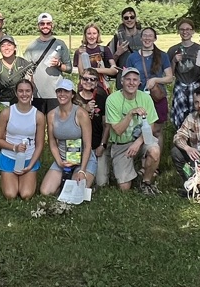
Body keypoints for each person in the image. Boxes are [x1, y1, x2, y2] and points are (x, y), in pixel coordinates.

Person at [105, 67, 161, 195]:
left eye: (135, 80)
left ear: (139, 83)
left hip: (140, 140)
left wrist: (138, 142)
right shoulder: (112, 100)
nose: (131, 83)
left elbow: (151, 125)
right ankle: (130, 170)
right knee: (124, 188)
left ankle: (146, 182)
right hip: (121, 144)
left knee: (155, 150)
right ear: (122, 81)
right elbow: (118, 131)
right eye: (128, 79)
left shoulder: (145, 98)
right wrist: (130, 113)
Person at [40, 79, 95, 195]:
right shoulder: (51, 115)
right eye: (59, 91)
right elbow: (52, 142)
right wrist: (60, 162)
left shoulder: (81, 114)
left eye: (66, 91)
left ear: (72, 94)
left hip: (83, 160)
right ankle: (65, 182)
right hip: (63, 159)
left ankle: (81, 179)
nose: (62, 94)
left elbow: (88, 145)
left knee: (74, 193)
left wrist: (82, 170)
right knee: (45, 192)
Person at [0, 79, 45, 200]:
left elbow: (40, 144)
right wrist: (14, 147)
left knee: (26, 194)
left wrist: (30, 165)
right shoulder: (7, 113)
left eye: (27, 91)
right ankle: (7, 176)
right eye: (20, 91)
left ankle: (27, 175)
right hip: (9, 156)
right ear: (16, 93)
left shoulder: (38, 116)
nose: (24, 94)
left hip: (28, 159)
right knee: (10, 195)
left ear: (32, 93)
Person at [124, 27, 173, 138]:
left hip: (157, 97)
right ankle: (142, 154)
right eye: (145, 35)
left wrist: (155, 80)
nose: (147, 38)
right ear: (141, 38)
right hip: (138, 97)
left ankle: (157, 154)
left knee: (157, 131)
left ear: (155, 38)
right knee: (138, 130)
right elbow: (126, 77)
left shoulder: (162, 55)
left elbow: (169, 77)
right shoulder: (132, 57)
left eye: (150, 35)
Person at [24, 12, 73, 116]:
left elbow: (69, 69)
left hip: (56, 93)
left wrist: (59, 64)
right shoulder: (32, 46)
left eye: (48, 23)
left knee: (55, 126)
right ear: (38, 26)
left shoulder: (60, 44)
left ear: (52, 25)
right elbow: (26, 71)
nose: (45, 26)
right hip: (37, 94)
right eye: (42, 24)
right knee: (38, 126)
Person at [0, 34, 30, 144]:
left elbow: (29, 87)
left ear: (15, 47)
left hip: (19, 103)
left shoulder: (23, 63)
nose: (7, 48)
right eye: (3, 46)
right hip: (2, 103)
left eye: (9, 45)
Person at [73, 67, 111, 187]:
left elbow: (107, 125)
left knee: (102, 182)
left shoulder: (101, 97)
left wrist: (102, 145)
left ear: (96, 82)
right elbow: (70, 123)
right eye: (85, 79)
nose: (88, 82)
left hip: (97, 145)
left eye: (93, 80)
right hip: (79, 146)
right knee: (76, 178)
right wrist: (85, 110)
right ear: (80, 80)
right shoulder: (74, 99)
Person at [167, 18, 200, 131]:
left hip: (196, 85)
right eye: (182, 29)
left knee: (197, 115)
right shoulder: (173, 50)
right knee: (180, 116)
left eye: (188, 29)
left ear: (193, 31)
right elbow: (170, 74)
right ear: (179, 31)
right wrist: (174, 61)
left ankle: (196, 140)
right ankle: (181, 138)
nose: (185, 32)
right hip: (180, 86)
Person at [75, 22, 118, 91]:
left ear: (98, 35)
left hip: (101, 88)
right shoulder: (79, 51)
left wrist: (95, 70)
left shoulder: (105, 50)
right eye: (89, 34)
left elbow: (114, 70)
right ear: (85, 35)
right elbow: (81, 73)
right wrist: (80, 55)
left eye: (94, 33)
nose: (92, 36)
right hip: (85, 88)